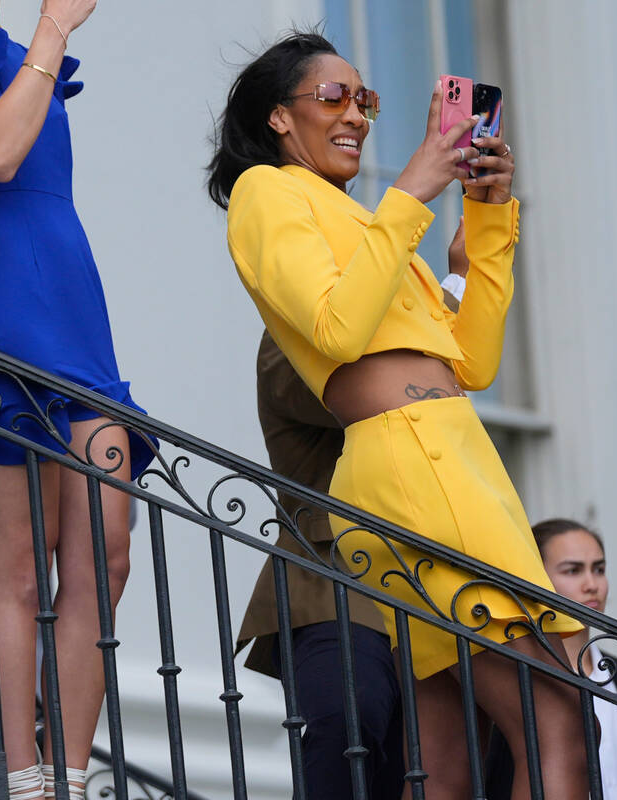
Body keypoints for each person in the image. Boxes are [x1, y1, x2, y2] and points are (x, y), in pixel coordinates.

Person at [207, 31, 588, 799]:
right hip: (414, 469)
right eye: (334, 97)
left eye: (366, 100)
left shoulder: (368, 229)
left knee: (445, 746)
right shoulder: (268, 194)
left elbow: (470, 363)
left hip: (457, 463)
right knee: (557, 716)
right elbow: (335, 331)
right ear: (280, 118)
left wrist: (485, 219)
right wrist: (411, 190)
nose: (356, 114)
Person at [0, 2, 156, 797]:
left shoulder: (22, 48)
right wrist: (55, 31)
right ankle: (22, 776)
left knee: (105, 551)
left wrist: (42, 43)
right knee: (15, 568)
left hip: (71, 293)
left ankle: (72, 772)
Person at [236, 222, 470, 799]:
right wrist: (455, 287)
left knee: (421, 763)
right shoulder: (292, 336)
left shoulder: (405, 335)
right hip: (338, 574)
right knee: (351, 726)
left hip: (428, 583)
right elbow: (381, 386)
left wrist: (463, 272)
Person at [485, 518, 617, 800]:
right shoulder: (508, 679)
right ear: (536, 578)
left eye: (599, 569)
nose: (592, 584)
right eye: (573, 570)